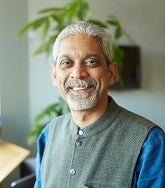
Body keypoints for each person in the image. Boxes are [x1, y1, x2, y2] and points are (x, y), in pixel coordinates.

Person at [34, 21, 165, 188]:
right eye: (66, 63)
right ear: (54, 76)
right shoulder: (49, 133)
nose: (78, 74)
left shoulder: (149, 142)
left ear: (111, 73)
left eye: (91, 62)